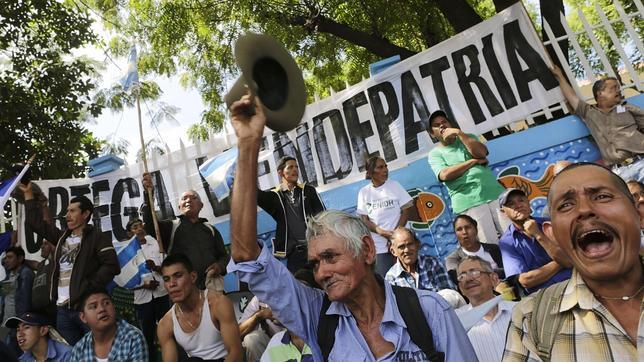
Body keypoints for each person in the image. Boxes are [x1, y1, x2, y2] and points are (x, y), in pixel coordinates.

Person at [227, 93, 476, 361]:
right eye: (315, 265)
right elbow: (246, 257)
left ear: (368, 250)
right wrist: (248, 144)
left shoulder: (429, 312)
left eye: (330, 257)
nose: (322, 273)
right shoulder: (318, 319)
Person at [504, 162, 644, 361]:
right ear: (552, 233)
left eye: (602, 196)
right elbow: (524, 280)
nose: (585, 210)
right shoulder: (531, 320)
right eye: (566, 205)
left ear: (638, 214)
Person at [19, 182, 120, 346]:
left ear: (85, 214)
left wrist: (88, 288)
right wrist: (28, 195)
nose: (67, 215)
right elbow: (34, 223)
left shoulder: (97, 237)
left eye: (72, 211)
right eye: (67, 211)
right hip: (62, 311)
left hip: (87, 307)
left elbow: (112, 265)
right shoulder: (61, 238)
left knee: (101, 349)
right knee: (72, 355)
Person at [551, 66, 644, 182]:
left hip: (640, 162)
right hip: (620, 173)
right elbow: (571, 97)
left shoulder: (627, 108)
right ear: (600, 93)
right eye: (614, 88)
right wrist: (559, 76)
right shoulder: (589, 113)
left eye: (618, 87)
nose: (618, 90)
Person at [427, 110, 506, 245]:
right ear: (432, 133)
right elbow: (445, 174)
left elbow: (481, 153)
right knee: (490, 244)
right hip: (470, 203)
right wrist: (473, 162)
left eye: (444, 122)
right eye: (436, 125)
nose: (442, 126)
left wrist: (459, 133)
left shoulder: (468, 137)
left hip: (495, 194)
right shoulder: (435, 154)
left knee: (513, 236)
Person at [141, 175, 229, 290]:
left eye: (193, 198)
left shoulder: (210, 230)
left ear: (201, 205)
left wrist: (219, 266)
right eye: (184, 198)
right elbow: (150, 223)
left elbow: (223, 256)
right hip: (184, 292)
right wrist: (148, 195)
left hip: (212, 288)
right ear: (179, 207)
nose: (188, 200)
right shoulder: (171, 227)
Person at [157, 254, 242, 361]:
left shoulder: (218, 304)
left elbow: (236, 353)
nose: (172, 284)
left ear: (193, 277)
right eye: (166, 279)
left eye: (178, 276)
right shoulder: (166, 324)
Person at [257, 156, 326, 273]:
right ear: (281, 173)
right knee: (299, 287)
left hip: (314, 250)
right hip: (294, 256)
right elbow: (255, 195)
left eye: (296, 167)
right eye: (290, 167)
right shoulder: (275, 196)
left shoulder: (309, 191)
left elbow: (323, 218)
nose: (295, 170)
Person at [498, 188, 572, 295]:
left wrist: (538, 234)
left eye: (521, 200)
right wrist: (561, 260)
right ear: (503, 212)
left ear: (528, 203)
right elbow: (524, 281)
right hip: (544, 295)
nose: (518, 205)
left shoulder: (549, 223)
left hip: (572, 283)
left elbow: (570, 260)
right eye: (511, 204)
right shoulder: (507, 242)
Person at [356, 156, 414, 277]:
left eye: (386, 166)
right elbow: (364, 219)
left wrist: (396, 234)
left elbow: (407, 209)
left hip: (402, 242)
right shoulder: (364, 192)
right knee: (386, 281)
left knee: (411, 274)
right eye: (380, 167)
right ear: (371, 172)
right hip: (380, 246)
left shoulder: (395, 185)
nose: (385, 170)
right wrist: (381, 232)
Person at [455, 256, 515, 362]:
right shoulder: (455, 322)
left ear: (494, 279)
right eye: (462, 276)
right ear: (461, 289)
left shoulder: (519, 311)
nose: (468, 279)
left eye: (474, 272)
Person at [126, 219, 169, 362]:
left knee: (169, 332)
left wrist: (155, 267)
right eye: (134, 227)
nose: (139, 229)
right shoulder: (128, 253)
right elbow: (126, 282)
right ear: (129, 233)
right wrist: (144, 285)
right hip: (143, 301)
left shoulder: (156, 243)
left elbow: (167, 269)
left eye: (141, 226)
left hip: (161, 295)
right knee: (147, 338)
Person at [71, 288, 147, 361]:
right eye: (94, 306)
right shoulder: (79, 349)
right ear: (83, 317)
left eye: (106, 303)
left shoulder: (133, 337)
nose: (102, 309)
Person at [384, 227, 456, 292]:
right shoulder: (391, 277)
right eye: (401, 247)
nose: (406, 250)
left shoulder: (432, 263)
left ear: (417, 244)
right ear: (393, 251)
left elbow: (450, 294)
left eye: (410, 244)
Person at [445, 214, 504, 282]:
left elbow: (507, 270)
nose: (464, 232)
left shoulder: (494, 249)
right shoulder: (453, 259)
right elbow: (461, 278)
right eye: (459, 229)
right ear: (455, 234)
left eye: (467, 227)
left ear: (476, 229)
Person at [1, 247, 34, 354]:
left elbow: (26, 301)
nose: (6, 260)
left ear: (20, 259)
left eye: (10, 257)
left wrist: (22, 324)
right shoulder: (9, 275)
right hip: (6, 324)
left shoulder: (26, 274)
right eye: (6, 258)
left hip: (17, 324)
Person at [4, 312, 70, 362]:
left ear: (43, 331)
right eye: (18, 330)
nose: (20, 334)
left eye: (26, 327)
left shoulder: (66, 354)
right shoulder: (23, 360)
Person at [238, 297, 284, 362]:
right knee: (251, 339)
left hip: (292, 341)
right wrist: (258, 316)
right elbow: (237, 335)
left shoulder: (294, 293)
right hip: (270, 342)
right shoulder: (259, 299)